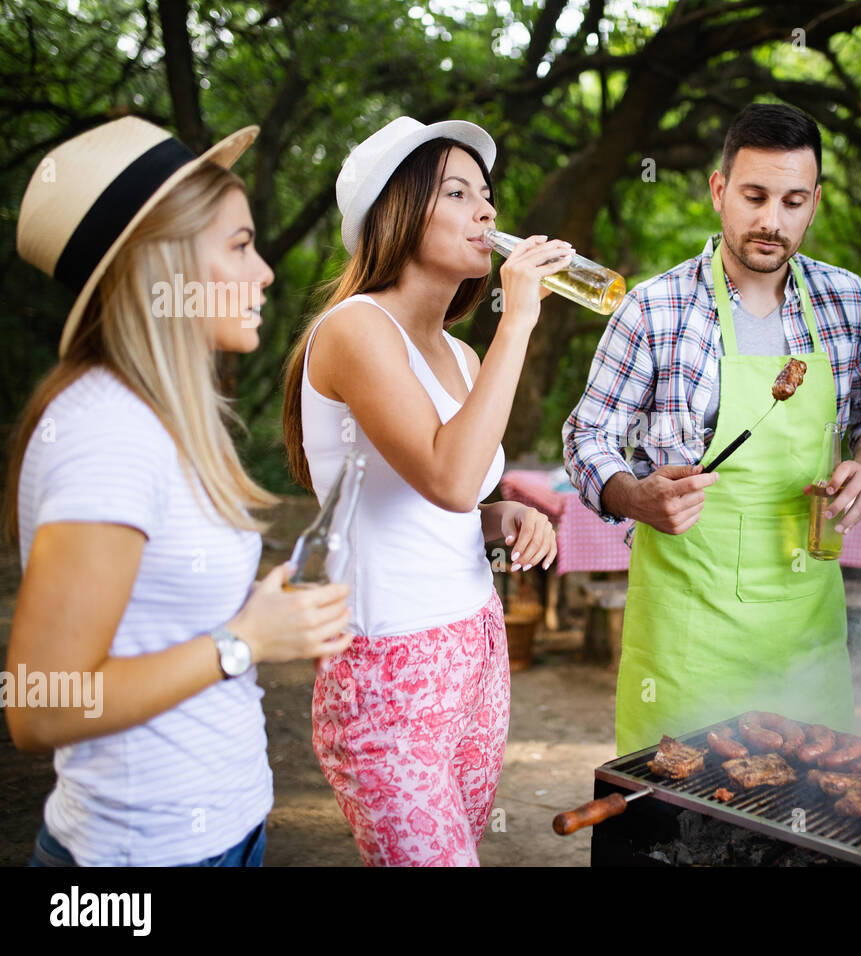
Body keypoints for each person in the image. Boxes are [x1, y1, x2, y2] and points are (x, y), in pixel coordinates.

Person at [4, 116, 353, 867]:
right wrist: (244, 641)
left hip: (222, 836)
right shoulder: (106, 431)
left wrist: (260, 616)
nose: (264, 272)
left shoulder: (161, 418)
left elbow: (149, 626)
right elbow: (40, 705)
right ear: (160, 268)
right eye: (239, 246)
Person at [564, 104, 861, 755]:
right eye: (754, 196)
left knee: (808, 831)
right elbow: (588, 437)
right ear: (720, 189)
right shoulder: (653, 308)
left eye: (793, 200)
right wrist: (632, 496)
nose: (771, 221)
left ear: (816, 203)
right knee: (678, 833)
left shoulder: (847, 301)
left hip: (806, 634)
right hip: (689, 642)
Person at [282, 117, 560, 866]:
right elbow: (448, 475)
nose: (488, 213)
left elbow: (458, 499)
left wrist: (502, 518)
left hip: (475, 645)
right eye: (459, 193)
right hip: (386, 668)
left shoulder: (464, 357)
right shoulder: (353, 329)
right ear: (397, 213)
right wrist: (521, 318)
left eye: (488, 195)